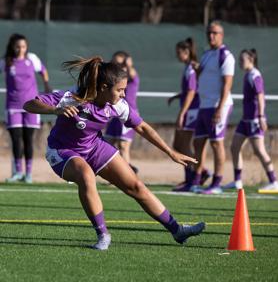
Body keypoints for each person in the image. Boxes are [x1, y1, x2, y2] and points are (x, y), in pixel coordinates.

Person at [23, 56, 205, 250]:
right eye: (120, 90)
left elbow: (142, 127)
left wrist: (171, 152)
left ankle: (177, 230)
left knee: (135, 186)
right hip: (62, 150)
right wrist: (55, 110)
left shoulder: (117, 105)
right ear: (103, 88)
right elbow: (29, 105)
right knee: (85, 175)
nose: (123, 94)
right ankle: (103, 235)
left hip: (94, 146)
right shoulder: (72, 97)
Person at [0, 33, 51, 183]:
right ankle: (18, 172)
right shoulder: (6, 62)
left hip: (32, 106)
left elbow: (43, 70)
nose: (20, 49)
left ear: (26, 47)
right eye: (17, 46)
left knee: (28, 139)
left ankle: (28, 174)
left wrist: (47, 84)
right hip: (13, 106)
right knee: (16, 139)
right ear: (12, 47)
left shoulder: (32, 59)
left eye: (23, 46)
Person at [191, 20, 235, 194]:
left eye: (215, 33)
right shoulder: (207, 54)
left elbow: (227, 85)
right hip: (204, 105)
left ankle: (217, 183)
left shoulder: (226, 56)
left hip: (218, 106)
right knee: (198, 142)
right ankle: (195, 181)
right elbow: (201, 74)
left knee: (217, 144)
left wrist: (219, 108)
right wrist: (195, 67)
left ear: (221, 35)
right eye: (209, 32)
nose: (211, 36)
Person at [224, 49, 278, 191]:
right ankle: (237, 181)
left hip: (254, 120)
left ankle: (274, 181)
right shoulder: (248, 75)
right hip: (245, 120)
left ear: (251, 60)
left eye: (243, 60)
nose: (240, 62)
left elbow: (260, 96)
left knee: (259, 151)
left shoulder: (255, 75)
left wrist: (260, 116)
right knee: (234, 147)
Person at [168, 38, 211, 191]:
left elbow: (192, 92)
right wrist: (177, 96)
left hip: (191, 111)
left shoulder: (191, 69)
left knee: (183, 146)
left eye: (179, 52)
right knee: (178, 146)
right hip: (189, 110)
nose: (177, 55)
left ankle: (193, 177)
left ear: (186, 52)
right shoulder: (188, 67)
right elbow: (188, 91)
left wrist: (182, 113)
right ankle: (199, 173)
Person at [105, 51, 139, 173]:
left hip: (127, 115)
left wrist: (128, 64)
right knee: (107, 144)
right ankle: (115, 173)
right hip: (114, 115)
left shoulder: (131, 78)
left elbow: (132, 73)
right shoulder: (113, 80)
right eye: (114, 63)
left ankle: (128, 175)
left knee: (123, 146)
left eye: (119, 63)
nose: (116, 66)